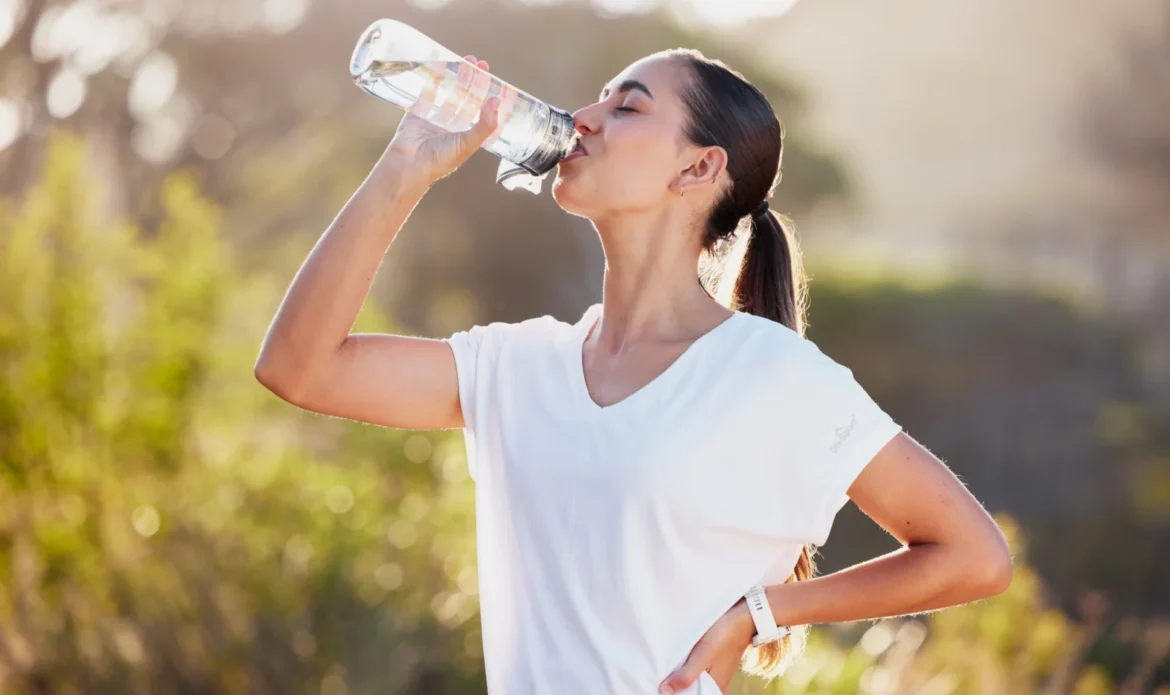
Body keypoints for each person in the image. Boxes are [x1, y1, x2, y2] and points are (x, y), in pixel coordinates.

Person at [255, 48, 1013, 695]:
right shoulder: (518, 366)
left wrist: (764, 611)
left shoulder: (773, 376)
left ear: (698, 167)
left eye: (626, 108)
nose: (582, 118)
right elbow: (299, 367)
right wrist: (402, 169)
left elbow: (972, 555)